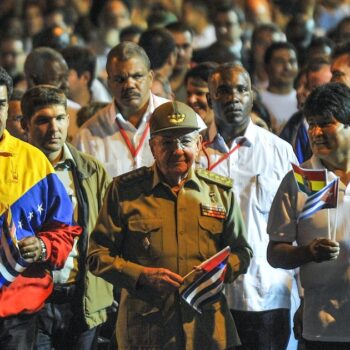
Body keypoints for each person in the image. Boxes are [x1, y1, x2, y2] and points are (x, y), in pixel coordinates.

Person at [87, 100, 252, 349]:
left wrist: (221, 272)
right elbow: (97, 256)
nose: (177, 150)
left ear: (198, 145)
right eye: (167, 142)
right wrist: (142, 275)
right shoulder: (124, 191)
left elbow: (242, 252)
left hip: (207, 329)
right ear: (153, 147)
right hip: (146, 332)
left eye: (186, 141)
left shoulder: (219, 192)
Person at [198, 62, 298, 349]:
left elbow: (299, 225)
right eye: (224, 91)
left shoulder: (279, 151)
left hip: (265, 294)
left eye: (241, 90)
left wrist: (302, 295)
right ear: (210, 99)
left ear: (253, 96)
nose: (233, 98)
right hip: (204, 295)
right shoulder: (192, 151)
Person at [20, 85, 113, 349]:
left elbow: (108, 232)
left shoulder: (90, 170)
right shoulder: (12, 169)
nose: (54, 128)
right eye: (43, 120)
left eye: (60, 118)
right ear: (25, 124)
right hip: (31, 303)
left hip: (81, 300)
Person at [0, 67, 81, 349]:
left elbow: (65, 230)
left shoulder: (34, 162)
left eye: (0, 104)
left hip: (18, 311)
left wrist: (43, 246)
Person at [267, 82, 350, 350]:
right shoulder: (299, 181)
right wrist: (308, 253)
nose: (314, 132)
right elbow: (275, 252)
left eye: (325, 123)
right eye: (311, 123)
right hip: (322, 328)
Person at [73, 41, 169, 177]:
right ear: (109, 83)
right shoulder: (88, 135)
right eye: (120, 79)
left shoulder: (177, 117)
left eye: (137, 76)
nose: (129, 85)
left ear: (150, 78)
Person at [24, 46, 80, 140]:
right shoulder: (13, 112)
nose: (66, 85)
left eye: (66, 78)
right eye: (57, 79)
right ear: (33, 80)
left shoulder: (76, 114)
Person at [260, 41, 299, 135]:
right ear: (266, 67)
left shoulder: (303, 100)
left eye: (292, 61)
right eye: (280, 62)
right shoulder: (257, 100)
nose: (287, 67)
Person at [185, 61, 218, 141]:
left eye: (199, 93)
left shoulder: (232, 138)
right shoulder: (182, 137)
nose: (191, 100)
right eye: (189, 94)